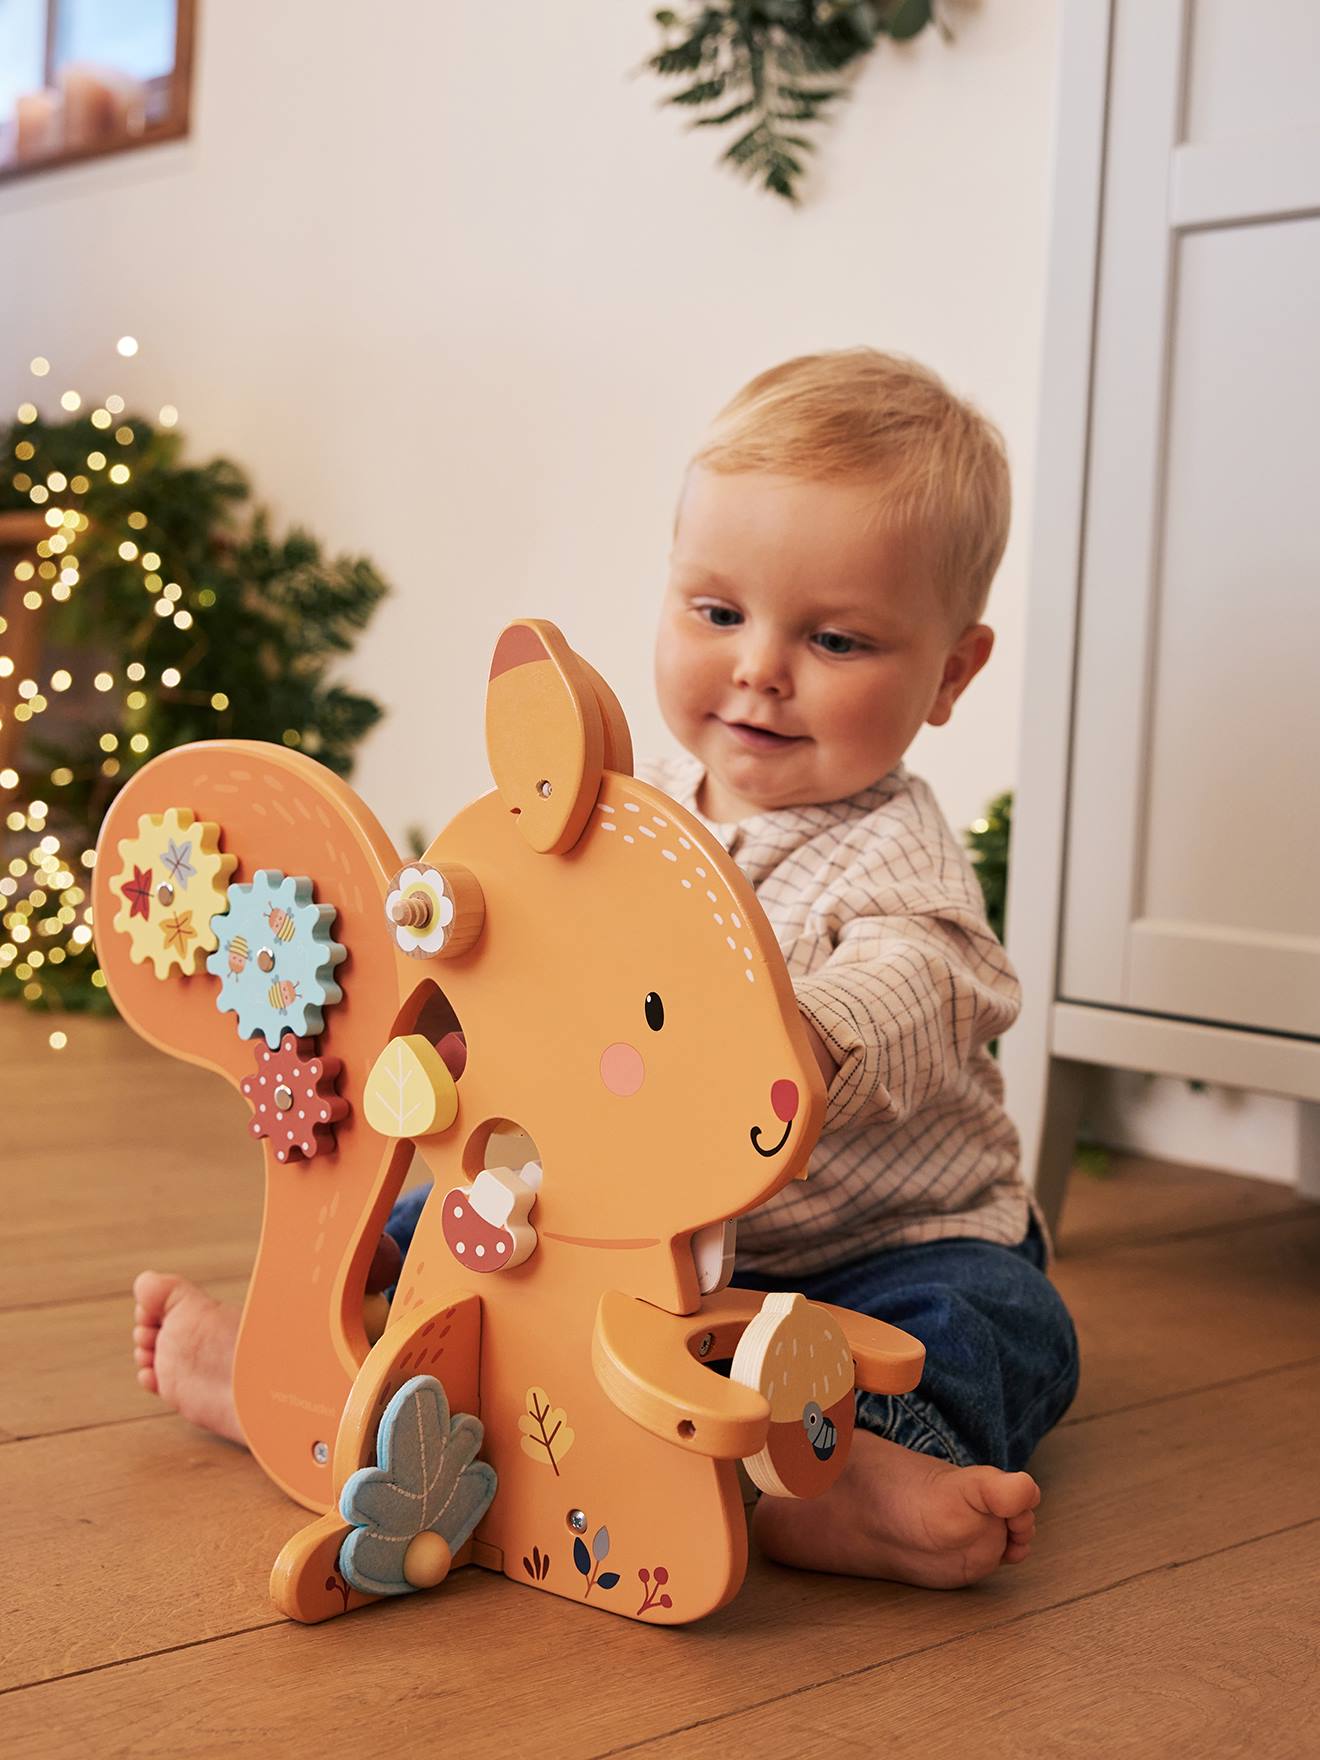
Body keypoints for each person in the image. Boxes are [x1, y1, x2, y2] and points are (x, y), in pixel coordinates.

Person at [133, 348, 1078, 1590]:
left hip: (867, 1246)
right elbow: (538, 956)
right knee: (429, 1225)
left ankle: (836, 1473)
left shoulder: (896, 857)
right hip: (621, 1228)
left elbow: (933, 980)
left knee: (993, 1323)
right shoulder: (626, 822)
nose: (760, 667)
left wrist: (804, 1032)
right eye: (718, 612)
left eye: (835, 637)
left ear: (951, 671)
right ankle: (309, 1369)